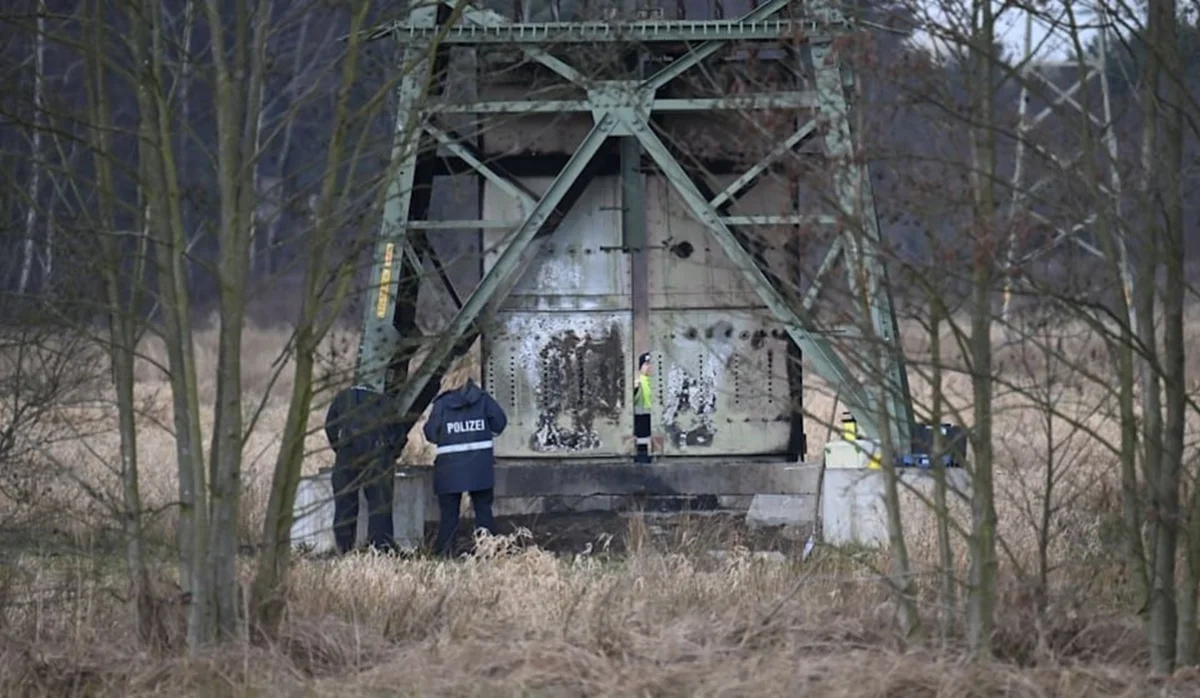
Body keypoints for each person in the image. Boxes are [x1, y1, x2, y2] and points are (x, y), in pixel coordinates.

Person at [324, 384, 412, 555]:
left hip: (347, 453)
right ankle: (381, 550)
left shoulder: (343, 397)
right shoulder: (385, 401)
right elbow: (400, 434)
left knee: (345, 504)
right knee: (380, 505)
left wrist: (340, 449)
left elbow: (330, 426)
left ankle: (344, 550)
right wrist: (391, 454)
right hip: (378, 455)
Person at [423, 378, 508, 558]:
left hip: (449, 468)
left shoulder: (441, 404)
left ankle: (445, 554)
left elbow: (431, 433)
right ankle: (488, 552)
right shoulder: (484, 400)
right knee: (483, 511)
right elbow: (500, 422)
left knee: (449, 515)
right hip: (480, 467)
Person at [633, 352, 654, 463]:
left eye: (652, 363)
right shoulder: (638, 383)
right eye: (646, 363)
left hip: (654, 421)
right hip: (641, 421)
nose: (650, 366)